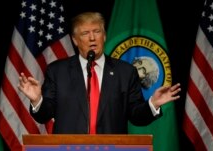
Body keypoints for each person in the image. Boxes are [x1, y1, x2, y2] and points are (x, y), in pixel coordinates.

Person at [18, 12, 181, 134]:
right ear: (75, 40)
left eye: (96, 32)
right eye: (85, 33)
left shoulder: (125, 72)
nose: (92, 38)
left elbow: (136, 116)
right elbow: (44, 115)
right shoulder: (57, 71)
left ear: (104, 36)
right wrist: (37, 100)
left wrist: (153, 103)